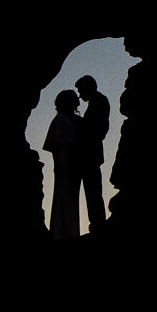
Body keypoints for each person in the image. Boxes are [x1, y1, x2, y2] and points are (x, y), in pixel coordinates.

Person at [42, 89, 86, 241]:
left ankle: (71, 232)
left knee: (72, 197)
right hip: (65, 160)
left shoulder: (76, 120)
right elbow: (55, 146)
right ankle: (61, 233)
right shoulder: (61, 119)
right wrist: (57, 166)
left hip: (75, 161)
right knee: (63, 196)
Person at [73, 74, 112, 234]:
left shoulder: (99, 102)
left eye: (80, 90)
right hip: (90, 155)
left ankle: (98, 225)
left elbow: (98, 129)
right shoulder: (97, 102)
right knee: (93, 191)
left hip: (91, 155)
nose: (80, 95)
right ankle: (97, 223)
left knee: (93, 192)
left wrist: (79, 123)